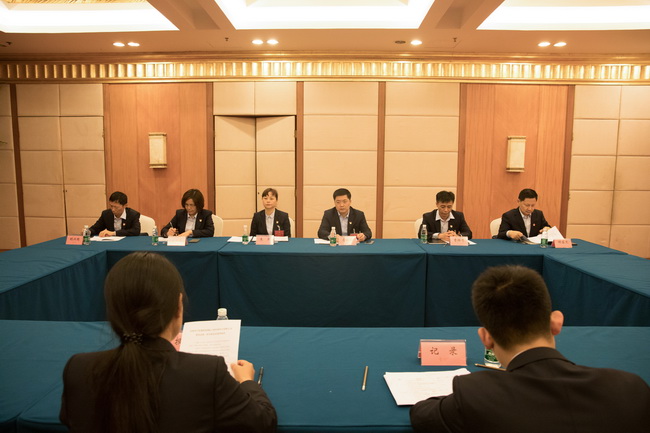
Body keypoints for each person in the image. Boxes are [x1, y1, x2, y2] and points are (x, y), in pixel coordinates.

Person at [410, 265, 650, 433]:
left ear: (486, 338)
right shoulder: (630, 389)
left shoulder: (475, 395)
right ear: (556, 322)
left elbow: (422, 415)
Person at [60, 252, 277, 433]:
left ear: (113, 309)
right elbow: (263, 422)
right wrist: (247, 381)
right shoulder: (207, 373)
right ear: (178, 306)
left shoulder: (78, 369)